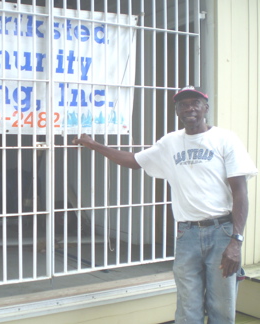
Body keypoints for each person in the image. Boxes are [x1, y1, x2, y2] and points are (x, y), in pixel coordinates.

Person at [72, 85, 257, 324]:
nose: (189, 108)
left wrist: (236, 240)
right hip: (186, 234)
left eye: (195, 103)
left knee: (221, 304)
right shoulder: (170, 142)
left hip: (222, 232)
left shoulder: (225, 139)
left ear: (206, 108)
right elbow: (134, 161)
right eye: (183, 104)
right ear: (177, 111)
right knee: (187, 304)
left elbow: (240, 192)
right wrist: (94, 145)